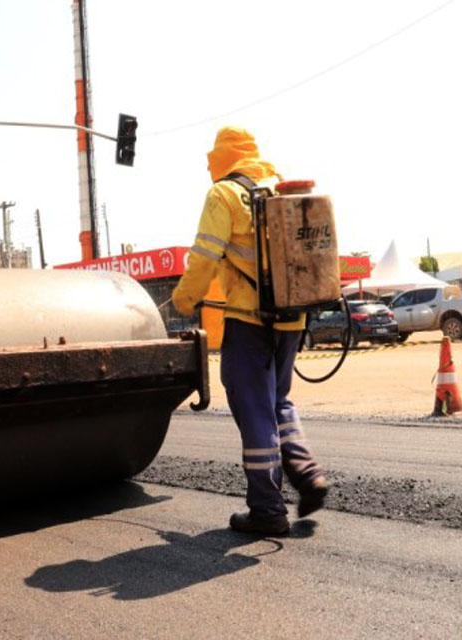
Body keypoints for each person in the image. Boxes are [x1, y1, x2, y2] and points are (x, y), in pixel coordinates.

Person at [171, 126, 329, 536]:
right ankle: (306, 471)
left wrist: (184, 300)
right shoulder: (278, 189)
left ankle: (266, 510)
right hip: (293, 318)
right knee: (279, 400)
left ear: (220, 158)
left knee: (254, 407)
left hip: (248, 319)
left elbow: (205, 257)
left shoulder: (223, 195)